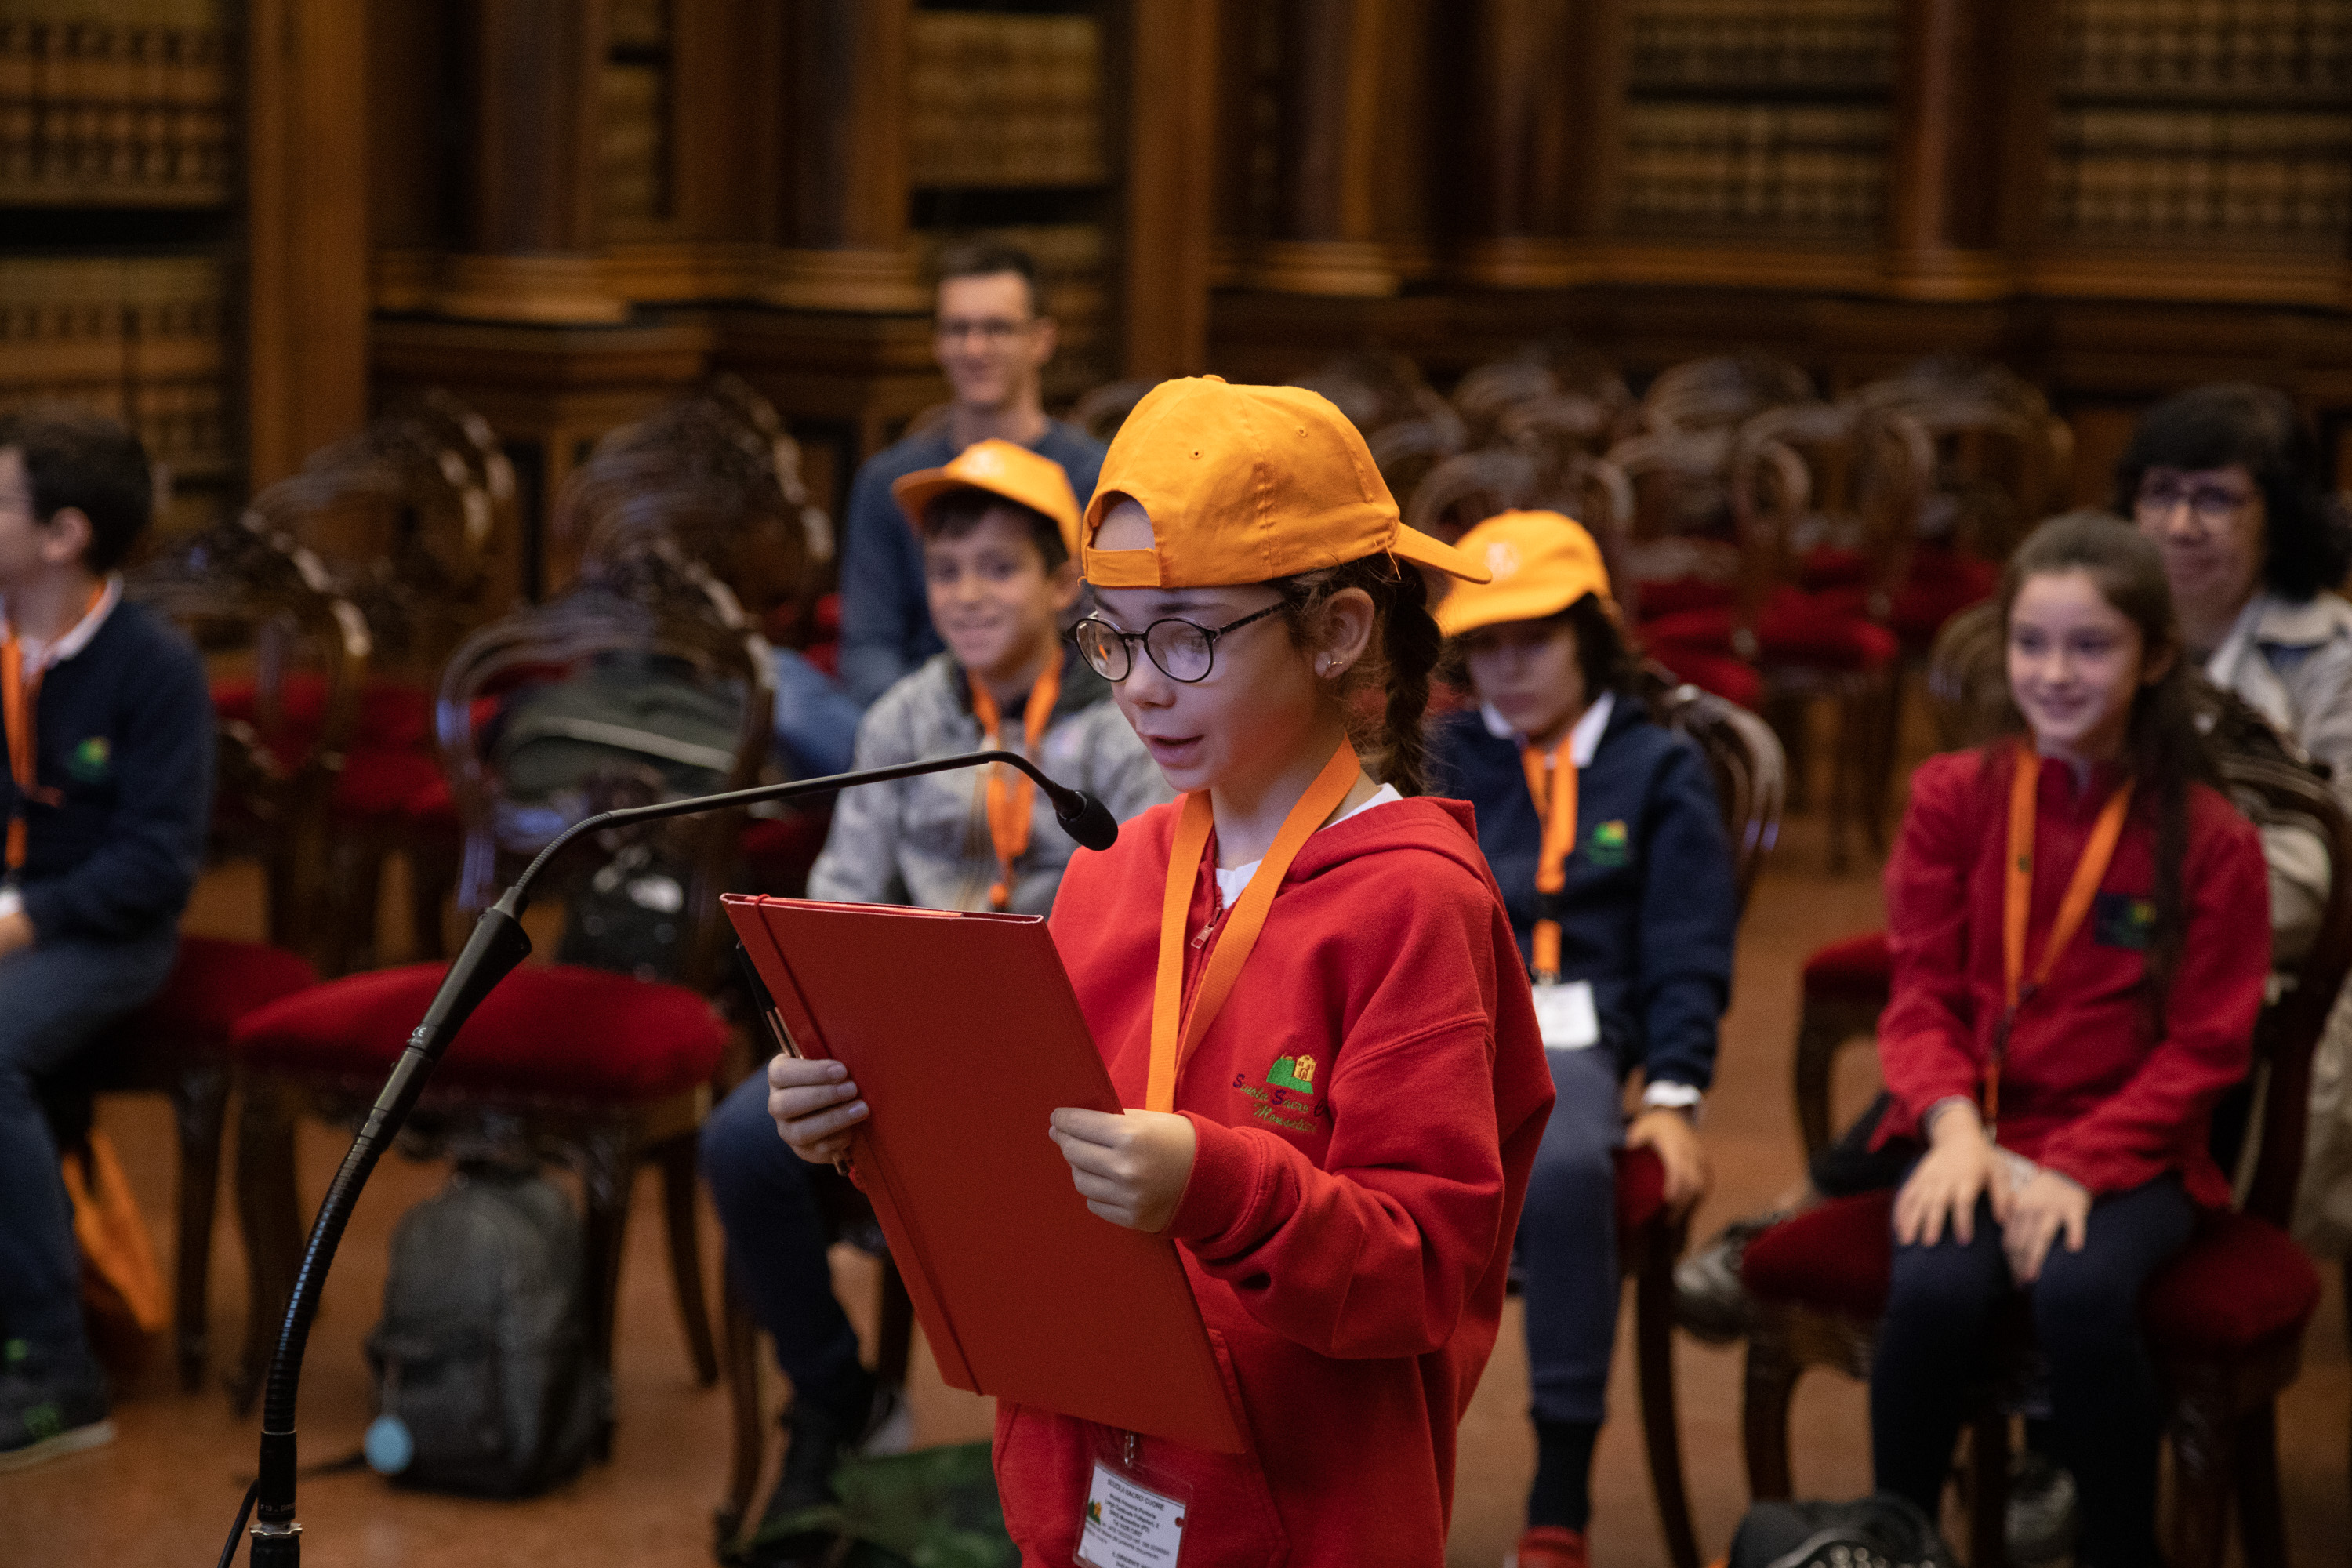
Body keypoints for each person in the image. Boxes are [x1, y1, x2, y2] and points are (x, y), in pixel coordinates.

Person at [768, 377, 1556, 1566]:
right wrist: (872, 1132)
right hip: (1083, 1489)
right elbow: (1028, 1199)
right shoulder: (1116, 870)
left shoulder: (1414, 902)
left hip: (1298, 1510)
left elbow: (1420, 1277)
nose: (1138, 682)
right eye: (1112, 638)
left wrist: (1222, 1188)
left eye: (1186, 636)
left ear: (1338, 630)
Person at [699, 437, 1165, 1564]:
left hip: (1068, 1055)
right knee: (742, 1144)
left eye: (998, 569)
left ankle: (1089, 1475)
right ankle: (833, 1394)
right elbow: (836, 908)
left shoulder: (1127, 722)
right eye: (948, 571)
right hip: (902, 1057)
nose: (966, 594)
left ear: (1065, 586)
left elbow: (1153, 927)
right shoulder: (903, 718)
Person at [1868, 513, 2268, 1566]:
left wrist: (2083, 1168)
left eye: (2091, 646)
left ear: (2156, 657)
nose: (2055, 672)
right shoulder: (1954, 796)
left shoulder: (2214, 839)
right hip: (1978, 1122)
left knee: (2083, 1290)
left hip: (2132, 1154)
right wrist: (1951, 1131)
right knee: (1933, 1288)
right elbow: (1919, 995)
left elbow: (2208, 1052)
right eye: (2032, 642)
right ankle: (1899, 1534)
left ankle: (2120, 1545)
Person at [1427, 511, 1737, 1568]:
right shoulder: (1444, 755)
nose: (1505, 668)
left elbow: (1690, 951)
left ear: (1592, 638)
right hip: (1443, 1018)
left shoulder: (1658, 771)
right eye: (1485, 645)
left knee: (1562, 1167)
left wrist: (1675, 1096)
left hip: (1580, 1036)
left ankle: (1559, 1488)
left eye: (1534, 641)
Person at [0, 406, 212, 1470]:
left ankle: (54, 1369)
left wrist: (21, 918)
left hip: (102, 931)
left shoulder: (153, 669)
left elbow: (154, 867)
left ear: (62, 536)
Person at [833, 239, 1107, 711]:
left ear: (1042, 340)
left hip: (1059, 716)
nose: (975, 347)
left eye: (997, 329)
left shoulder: (1098, 475)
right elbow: (868, 646)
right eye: (958, 329)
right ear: (937, 343)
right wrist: (931, 732)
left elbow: (1113, 636)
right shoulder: (887, 480)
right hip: (919, 720)